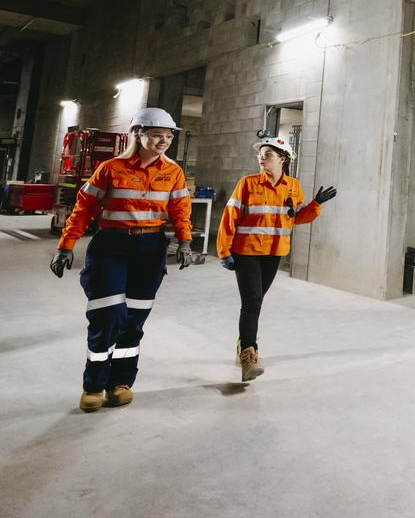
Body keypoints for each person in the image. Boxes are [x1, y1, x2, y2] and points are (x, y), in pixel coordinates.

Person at [49, 107, 195, 412]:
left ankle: (121, 382)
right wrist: (66, 246)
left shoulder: (173, 172)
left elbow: (181, 210)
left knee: (134, 319)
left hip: (151, 248)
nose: (163, 141)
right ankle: (94, 385)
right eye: (156, 135)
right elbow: (84, 208)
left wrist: (184, 241)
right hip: (111, 246)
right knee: (108, 314)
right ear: (138, 134)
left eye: (167, 136)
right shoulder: (110, 168)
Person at [217, 137, 336, 381]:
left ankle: (243, 342)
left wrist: (316, 204)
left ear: (283, 158)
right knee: (252, 303)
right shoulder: (247, 184)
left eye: (268, 153)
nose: (262, 156)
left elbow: (296, 218)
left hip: (274, 253)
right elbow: (230, 217)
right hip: (247, 251)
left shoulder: (293, 186)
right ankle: (249, 356)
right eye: (260, 153)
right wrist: (224, 251)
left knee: (256, 300)